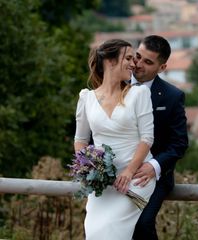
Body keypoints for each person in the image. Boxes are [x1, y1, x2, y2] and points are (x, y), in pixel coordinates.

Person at [73, 39, 156, 240]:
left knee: (111, 230)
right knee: (93, 232)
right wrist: (87, 167)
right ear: (110, 61)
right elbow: (81, 139)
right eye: (128, 58)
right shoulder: (87, 98)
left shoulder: (139, 93)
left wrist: (129, 171)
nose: (134, 64)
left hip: (135, 179)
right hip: (101, 184)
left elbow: (147, 138)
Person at [132, 35, 189, 240]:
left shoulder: (172, 96)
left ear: (162, 67)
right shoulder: (115, 86)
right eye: (137, 56)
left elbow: (179, 143)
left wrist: (153, 166)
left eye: (148, 62)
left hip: (154, 177)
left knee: (142, 223)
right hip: (116, 171)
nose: (138, 64)